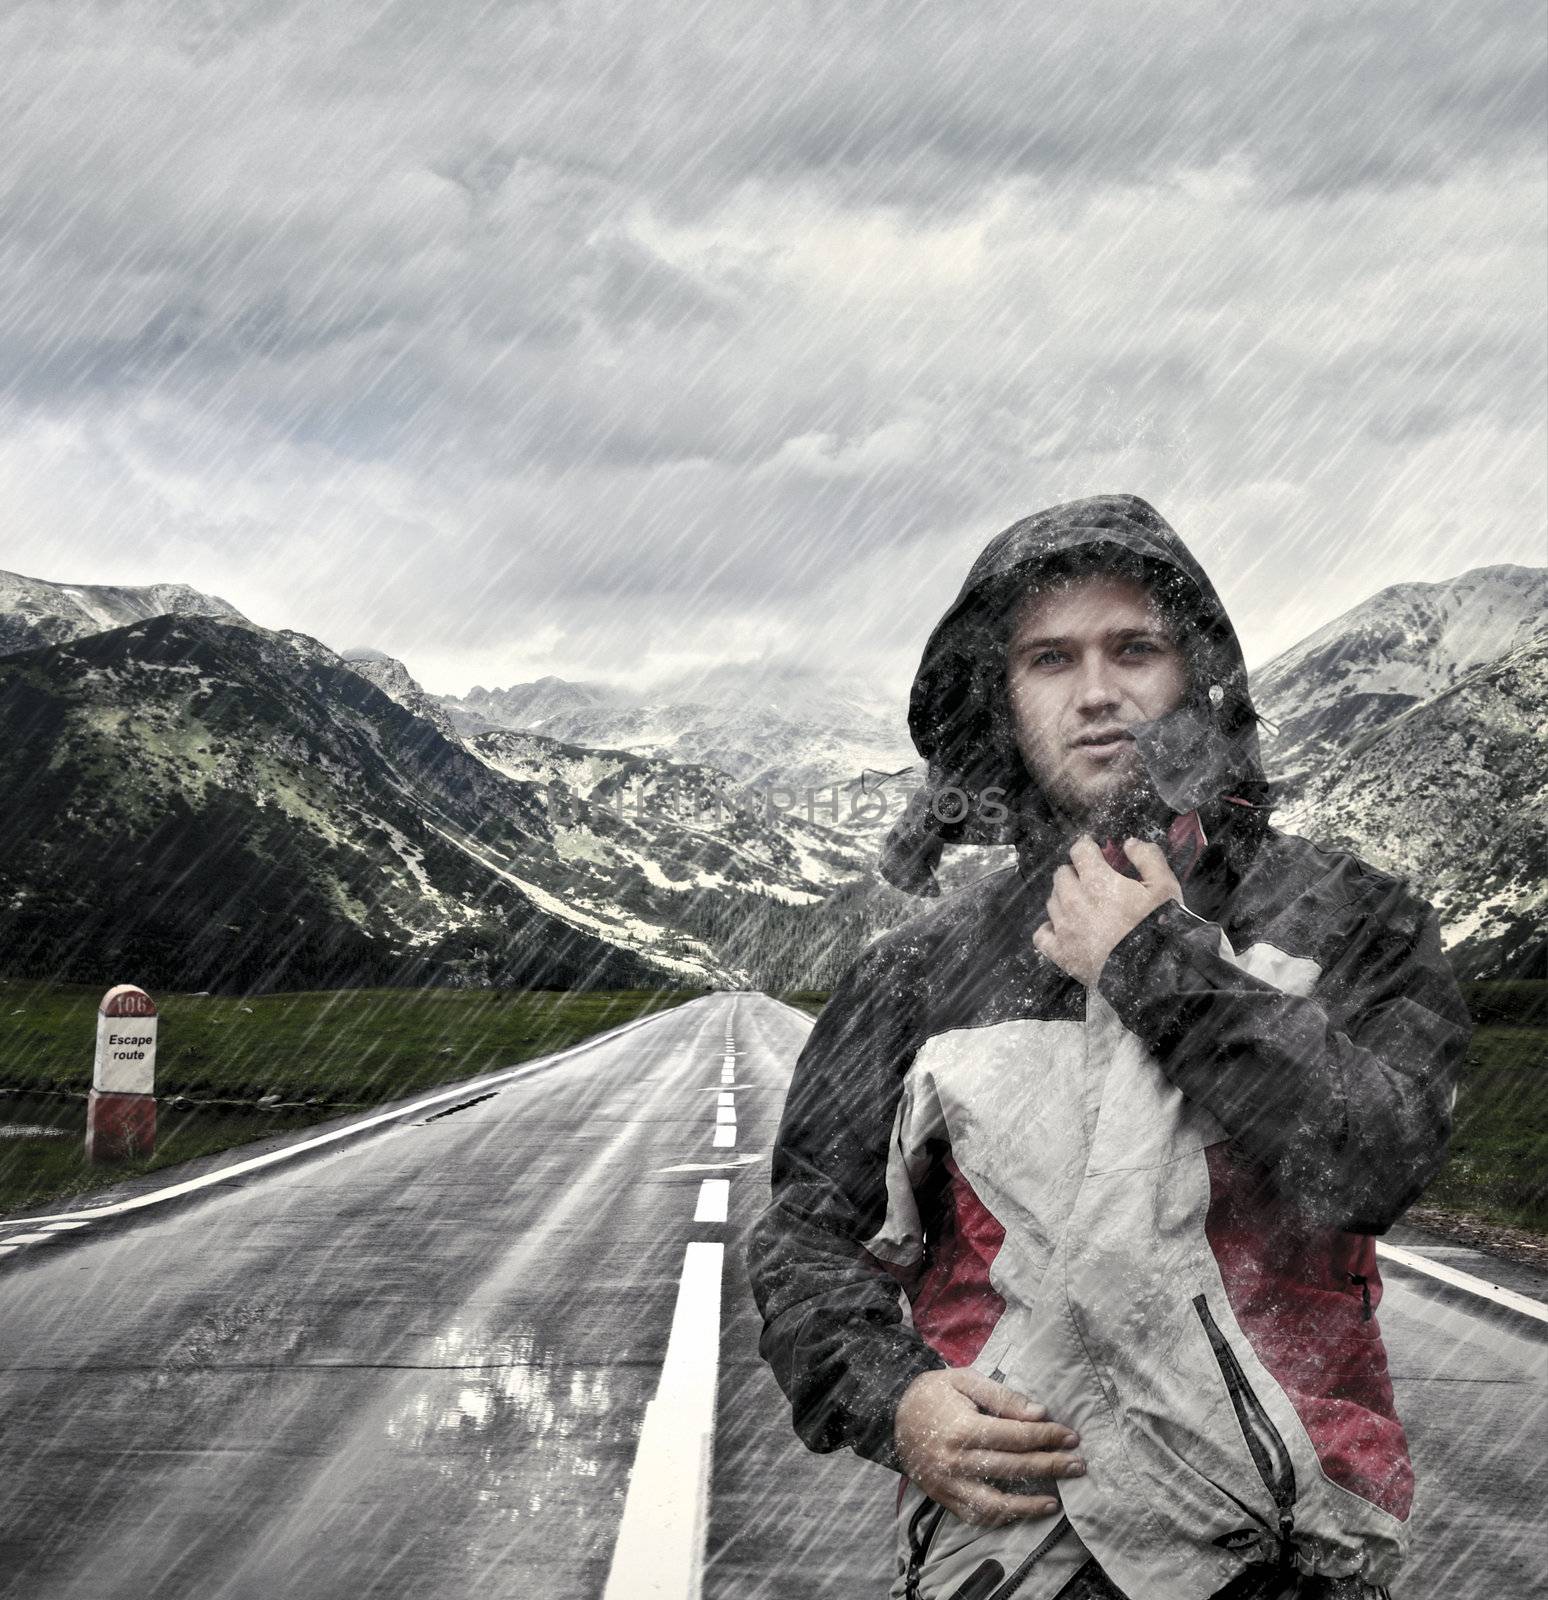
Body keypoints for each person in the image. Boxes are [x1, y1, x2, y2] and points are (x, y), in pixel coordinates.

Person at [744, 495, 1473, 1600]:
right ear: (1004, 696)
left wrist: (1156, 963)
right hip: (1015, 1560)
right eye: (1050, 658)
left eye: (1134, 647)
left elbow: (1376, 1158)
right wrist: (897, 1398)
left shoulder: (1352, 921)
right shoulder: (913, 975)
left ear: (1198, 676)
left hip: (1298, 1558)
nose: (1096, 692)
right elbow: (807, 1239)